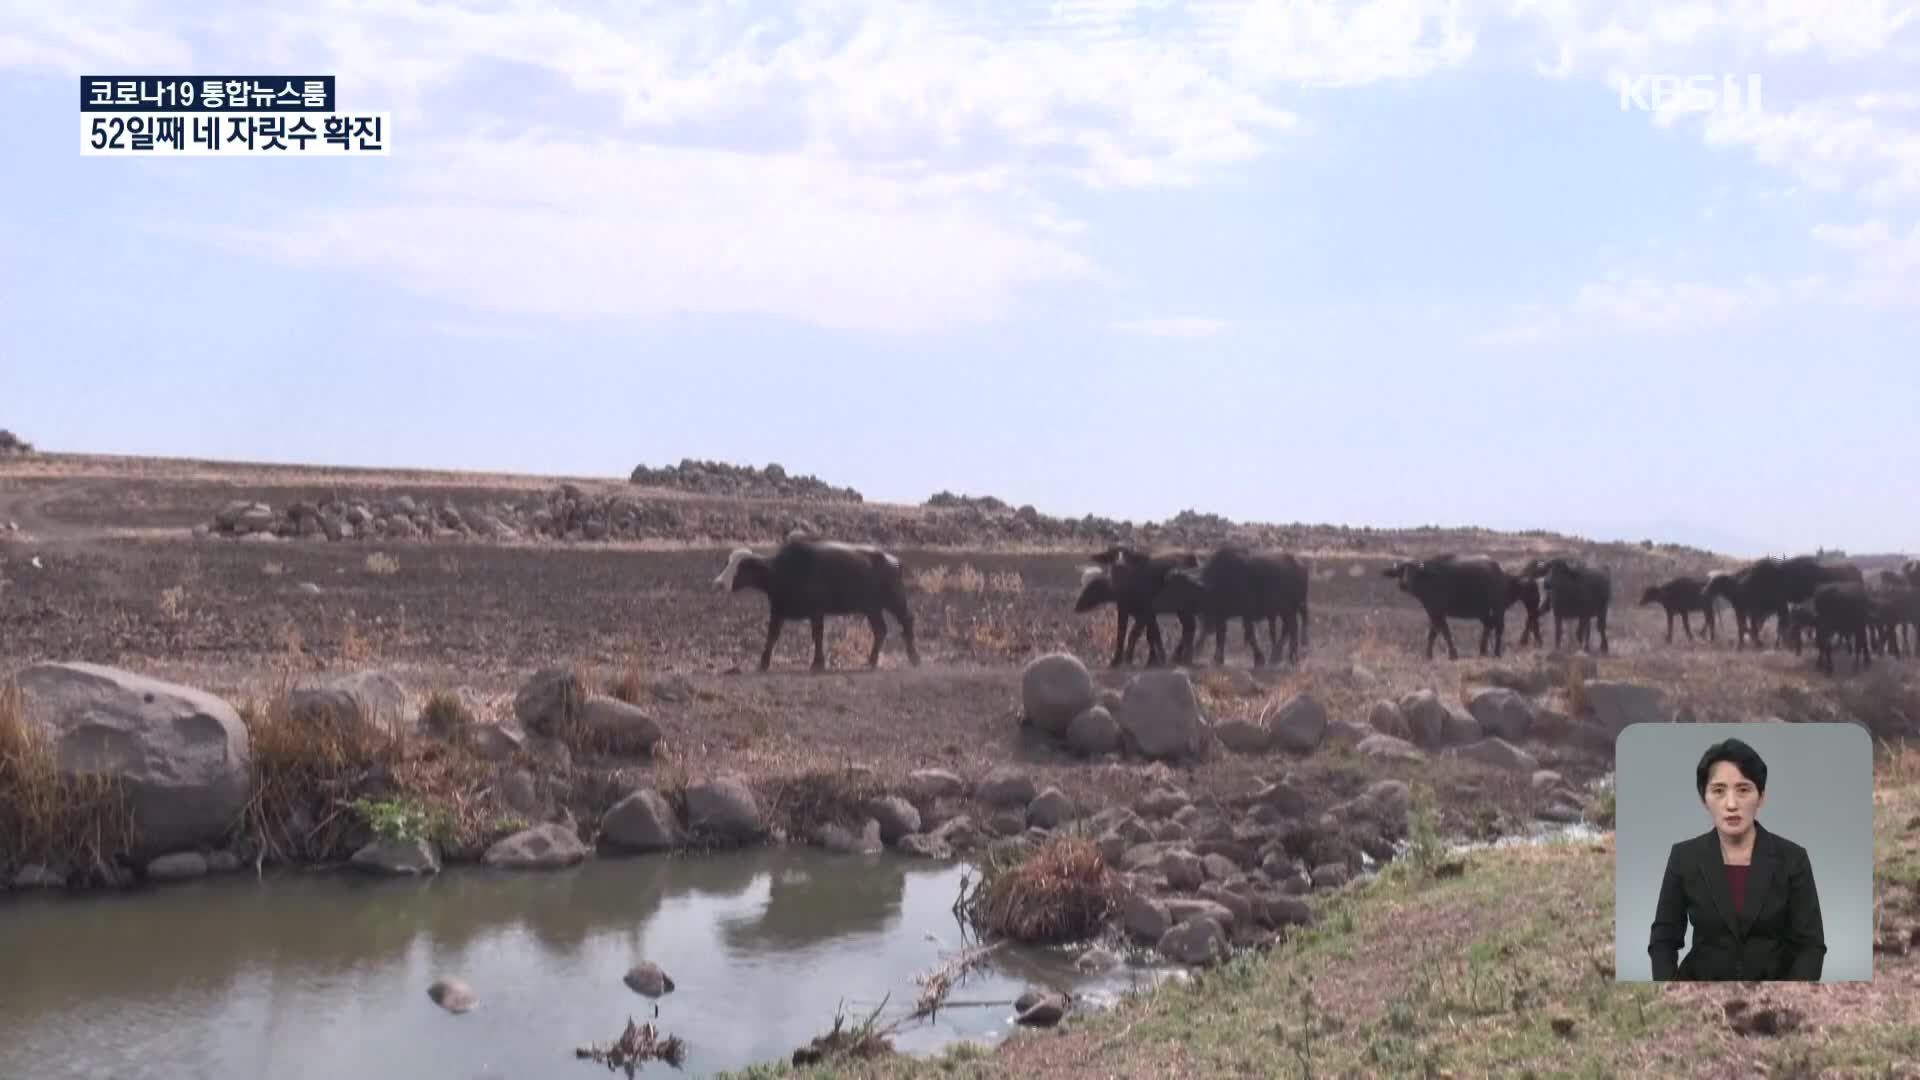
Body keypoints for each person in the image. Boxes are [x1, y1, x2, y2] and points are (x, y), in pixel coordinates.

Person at [1648, 738, 1826, 981]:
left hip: (1774, 994)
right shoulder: (1684, 857)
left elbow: (1811, 945)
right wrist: (1669, 993)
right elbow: (1663, 939)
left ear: (1761, 796)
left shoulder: (1792, 859)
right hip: (1701, 992)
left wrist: (1794, 996)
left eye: (1743, 790)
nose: (1731, 804)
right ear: (1704, 798)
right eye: (1718, 791)